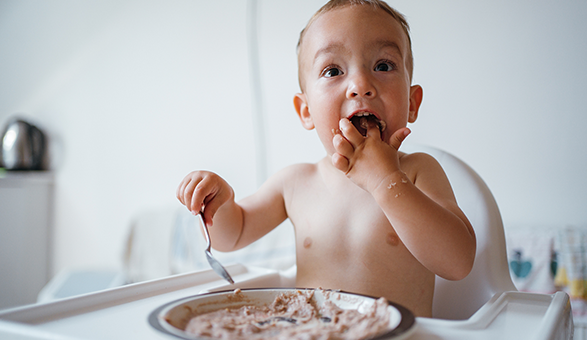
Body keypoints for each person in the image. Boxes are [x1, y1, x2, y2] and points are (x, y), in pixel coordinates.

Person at [176, 0, 476, 317]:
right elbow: (232, 235)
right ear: (306, 111)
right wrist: (218, 202)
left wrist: (387, 182)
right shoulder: (295, 183)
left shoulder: (416, 173)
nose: (361, 85)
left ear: (413, 104)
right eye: (333, 71)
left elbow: (458, 263)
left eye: (383, 66)